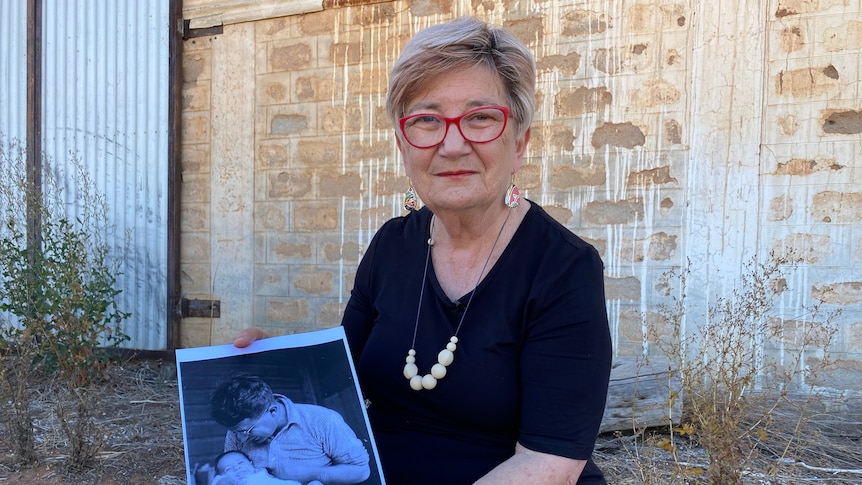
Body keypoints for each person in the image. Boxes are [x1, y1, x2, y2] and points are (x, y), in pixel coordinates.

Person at [234, 16, 612, 484]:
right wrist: (268, 359)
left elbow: (550, 464)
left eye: (480, 118)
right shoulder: (393, 243)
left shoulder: (563, 268)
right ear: (403, 146)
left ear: (519, 142)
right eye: (428, 121)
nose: (452, 145)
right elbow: (341, 375)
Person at [210, 374, 371, 485]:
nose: (241, 439)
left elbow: (362, 470)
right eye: (237, 432)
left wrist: (314, 473)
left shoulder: (323, 420)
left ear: (272, 411)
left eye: (248, 431)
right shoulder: (238, 430)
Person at [212, 450, 318, 485]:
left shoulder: (260, 472)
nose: (237, 468)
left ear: (251, 463)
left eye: (240, 463)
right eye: (229, 469)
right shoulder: (231, 482)